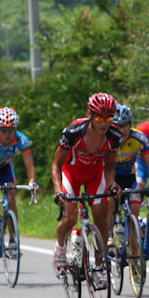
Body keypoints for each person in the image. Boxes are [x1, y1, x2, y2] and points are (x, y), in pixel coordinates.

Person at [51, 93, 121, 281]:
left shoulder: (114, 136)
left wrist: (112, 184)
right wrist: (58, 190)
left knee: (101, 218)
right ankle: (60, 248)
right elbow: (56, 164)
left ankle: (98, 267)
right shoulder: (73, 132)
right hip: (71, 174)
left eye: (108, 118)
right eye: (99, 118)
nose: (103, 123)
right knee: (70, 217)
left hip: (95, 175)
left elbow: (110, 165)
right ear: (90, 115)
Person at [0, 107, 38, 238]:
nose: (7, 134)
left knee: (11, 199)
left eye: (11, 129)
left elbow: (30, 165)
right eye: (3, 130)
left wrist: (32, 181)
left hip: (4, 168)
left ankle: (12, 239)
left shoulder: (21, 140)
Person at [108, 103, 149, 218]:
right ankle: (108, 234)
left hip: (130, 178)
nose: (123, 130)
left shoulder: (139, 138)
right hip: (111, 177)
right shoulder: (107, 140)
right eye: (118, 126)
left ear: (130, 124)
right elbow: (101, 168)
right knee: (110, 209)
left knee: (134, 213)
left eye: (125, 125)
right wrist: (112, 184)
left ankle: (133, 234)